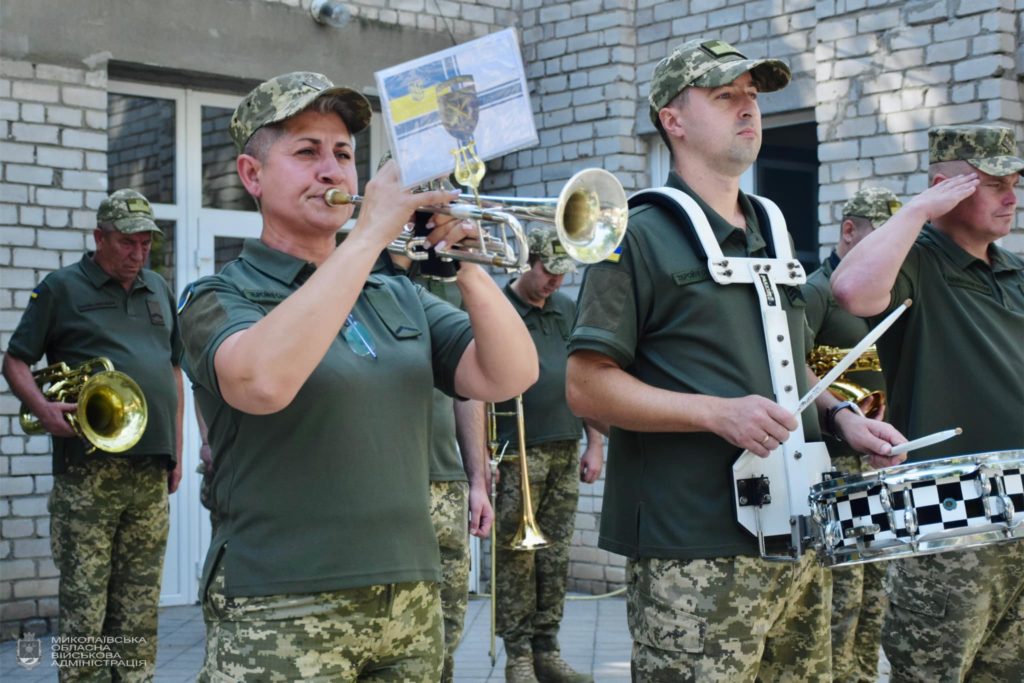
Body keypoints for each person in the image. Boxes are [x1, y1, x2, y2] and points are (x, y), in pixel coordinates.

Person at [177, 71, 537, 682]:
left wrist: (467, 265)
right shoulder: (217, 295)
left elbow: (509, 374)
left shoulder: (395, 294)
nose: (333, 171)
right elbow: (260, 383)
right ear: (251, 176)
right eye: (306, 152)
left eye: (343, 154)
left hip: (410, 600)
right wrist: (371, 233)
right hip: (280, 603)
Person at [564, 39, 905, 681]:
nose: (748, 108)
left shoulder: (771, 229)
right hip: (691, 549)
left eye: (752, 96)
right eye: (726, 96)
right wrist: (718, 413)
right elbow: (586, 388)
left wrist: (840, 420)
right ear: (674, 119)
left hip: (797, 535)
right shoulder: (633, 234)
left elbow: (785, 364)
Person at [831, 125, 1024, 683]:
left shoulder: (1011, 272)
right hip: (948, 509)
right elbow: (852, 292)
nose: (1011, 197)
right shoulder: (918, 258)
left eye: (1014, 183)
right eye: (993, 184)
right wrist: (917, 210)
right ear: (949, 187)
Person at [3, 188, 184, 681]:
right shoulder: (61, 288)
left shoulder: (159, 290)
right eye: (127, 242)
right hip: (88, 472)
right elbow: (15, 360)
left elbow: (172, 371)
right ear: (99, 237)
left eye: (146, 243)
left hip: (150, 469)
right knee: (86, 608)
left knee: (139, 606)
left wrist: (178, 451)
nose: (138, 253)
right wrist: (42, 408)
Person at [373, 244, 493, 683]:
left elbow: (472, 387)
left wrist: (477, 480)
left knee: (447, 633)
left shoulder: (451, 279)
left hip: (446, 480)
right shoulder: (353, 269)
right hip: (384, 483)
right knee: (391, 637)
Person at [492, 227, 605, 683]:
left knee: (554, 555)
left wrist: (596, 442)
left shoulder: (565, 308)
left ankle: (547, 650)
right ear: (528, 263)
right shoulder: (499, 309)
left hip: (564, 445)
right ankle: (518, 653)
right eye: (548, 270)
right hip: (516, 452)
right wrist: (483, 459)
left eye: (562, 272)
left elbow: (587, 378)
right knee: (515, 557)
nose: (555, 281)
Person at [802, 186, 900, 683]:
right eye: (882, 233)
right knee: (843, 594)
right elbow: (796, 367)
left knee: (876, 591)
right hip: (838, 464)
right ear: (849, 231)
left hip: (882, 460)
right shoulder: (818, 291)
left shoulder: (886, 291)